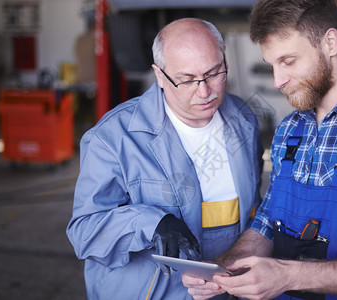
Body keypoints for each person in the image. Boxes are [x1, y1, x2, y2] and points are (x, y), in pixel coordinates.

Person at [182, 1, 337, 299]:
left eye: (288, 61)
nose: (278, 81)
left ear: (330, 42)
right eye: (272, 65)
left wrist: (287, 276)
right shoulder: (290, 129)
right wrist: (223, 268)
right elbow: (267, 220)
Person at [66, 18, 263, 299]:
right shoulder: (114, 138)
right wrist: (150, 224)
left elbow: (254, 206)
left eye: (214, 73)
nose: (204, 91)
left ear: (225, 61)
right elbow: (84, 232)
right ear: (160, 76)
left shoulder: (244, 120)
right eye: (186, 80)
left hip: (226, 290)